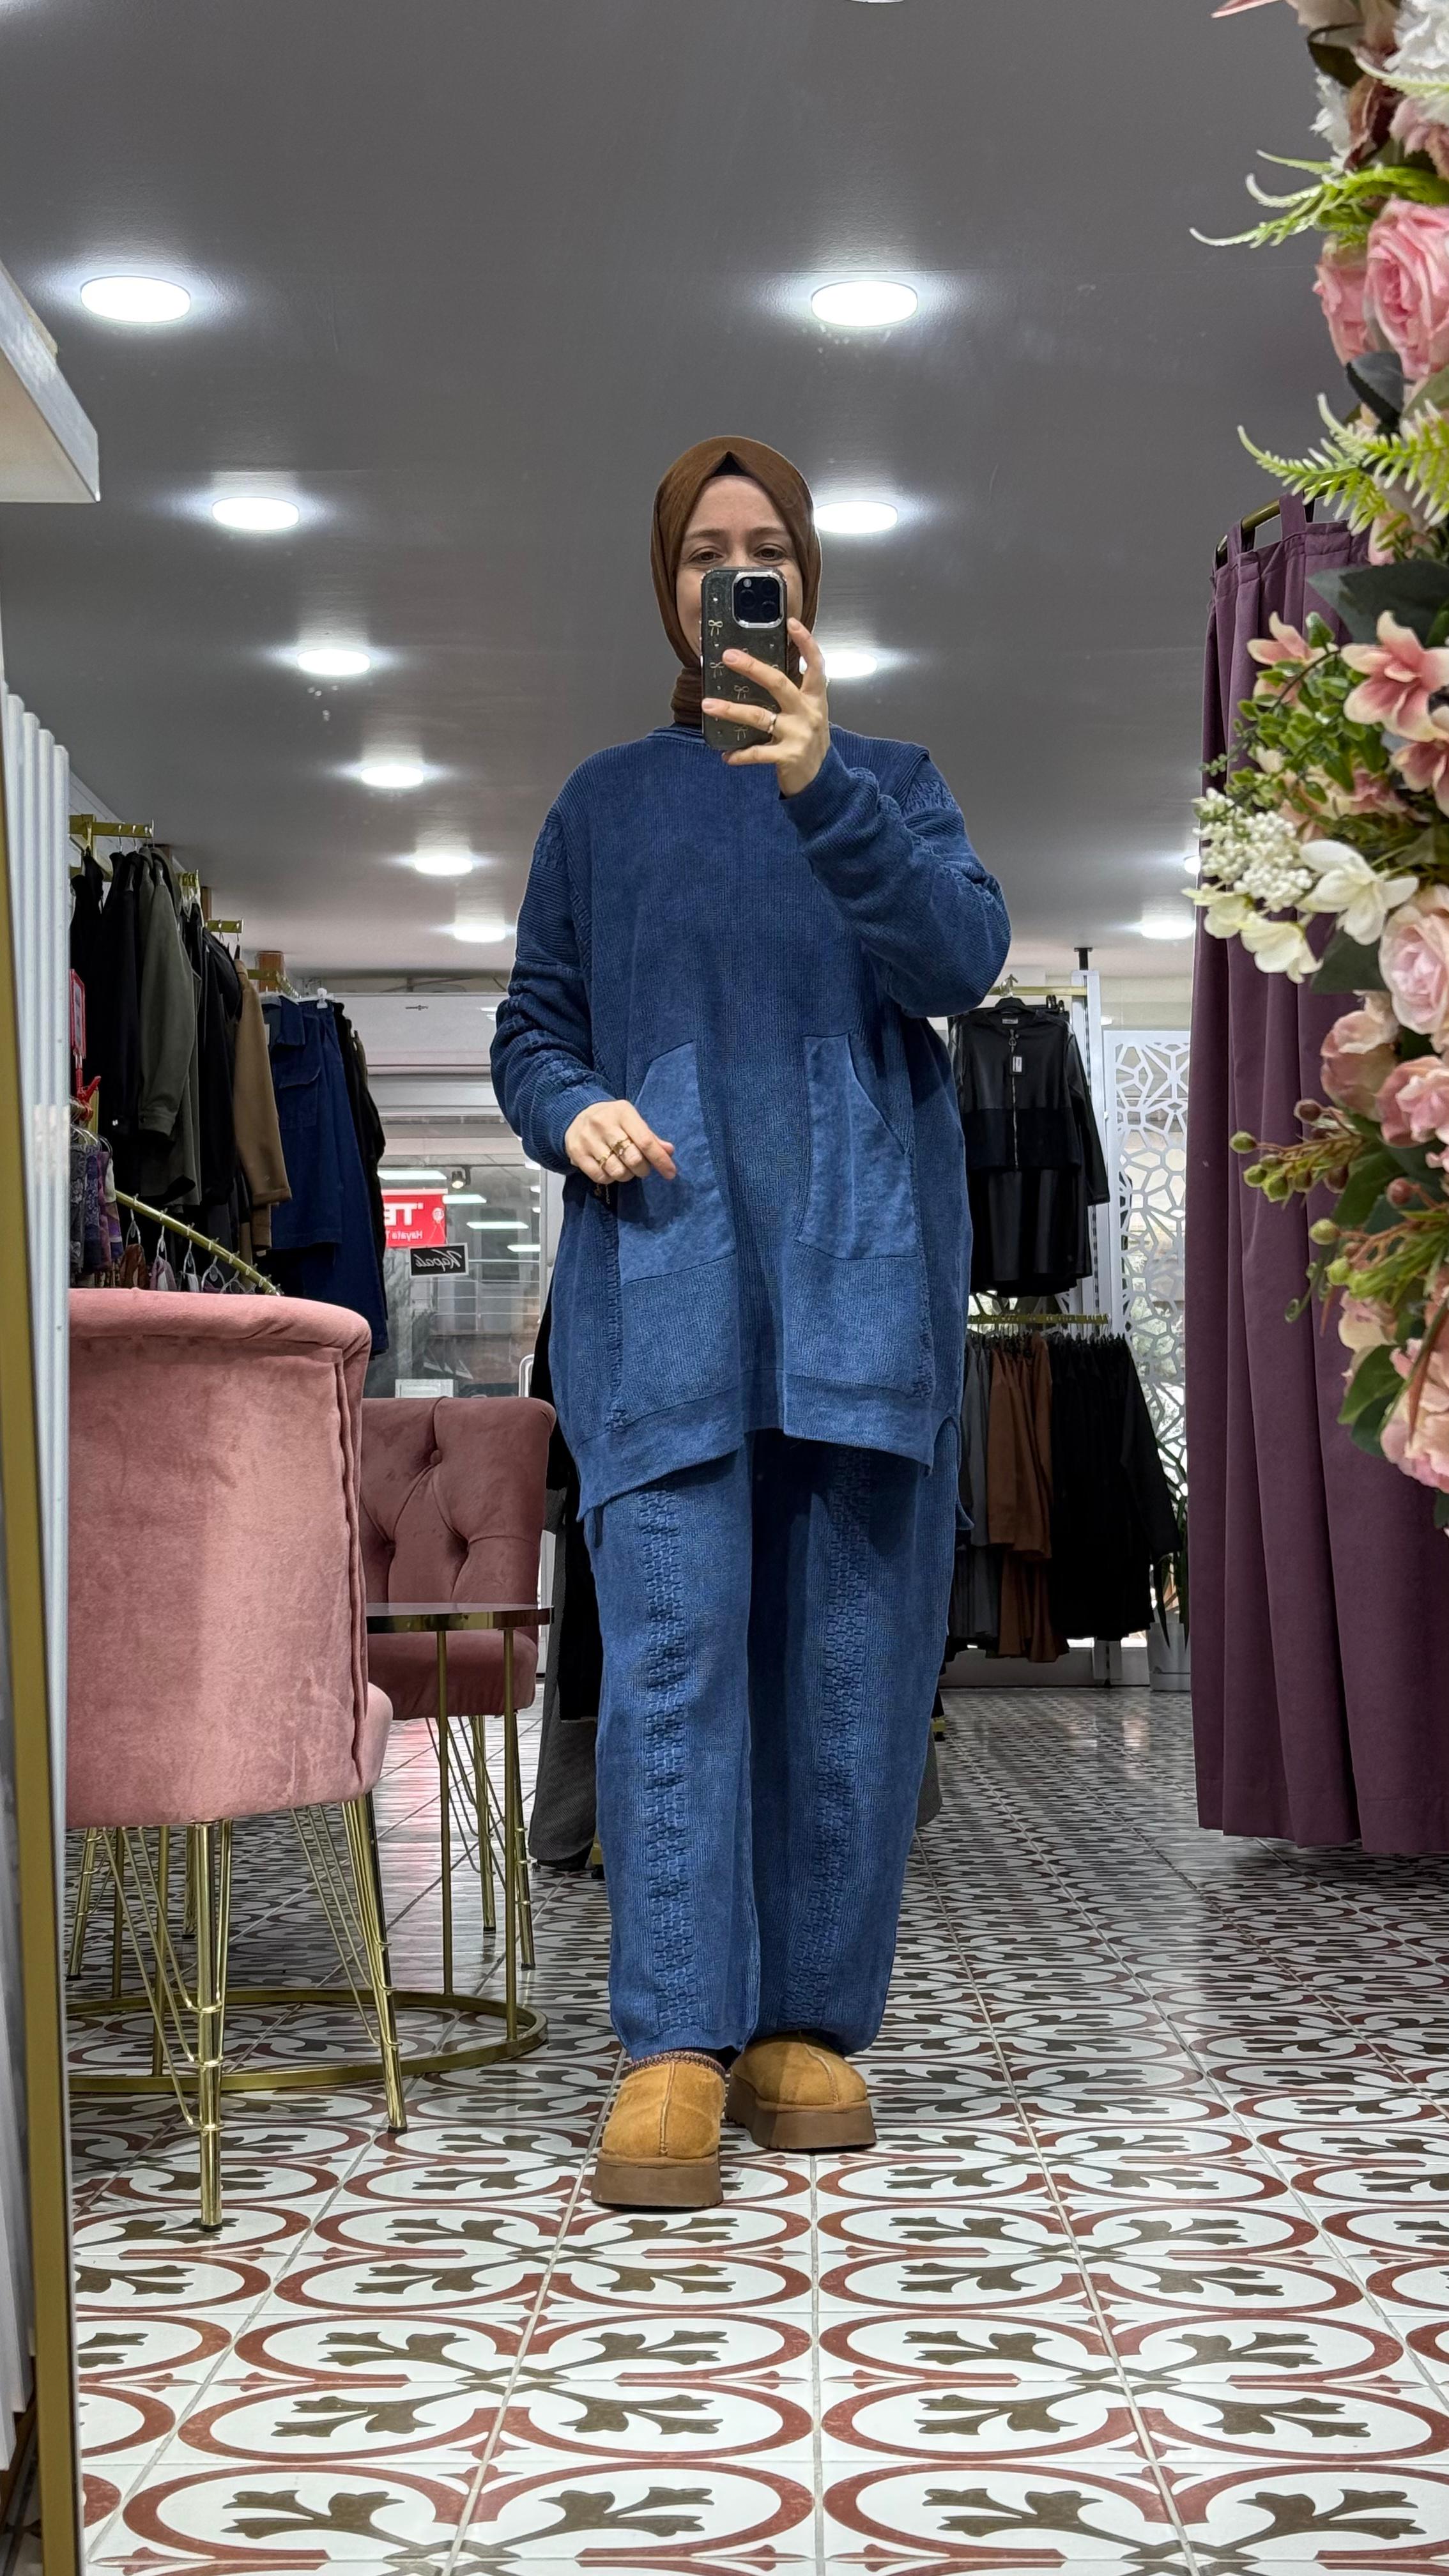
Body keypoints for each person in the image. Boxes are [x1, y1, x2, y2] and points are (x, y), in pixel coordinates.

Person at [491, 434, 1009, 2207]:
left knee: (852, 1674)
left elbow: (957, 960)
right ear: (668, 587)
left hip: (861, 1293)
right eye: (703, 549)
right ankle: (671, 2042)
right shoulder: (601, 807)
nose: (732, 572)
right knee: (670, 1663)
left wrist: (821, 786)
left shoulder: (891, 781)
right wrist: (567, 1105)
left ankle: (807, 2026)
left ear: (804, 579)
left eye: (762, 544)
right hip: (663, 1288)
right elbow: (533, 1024)